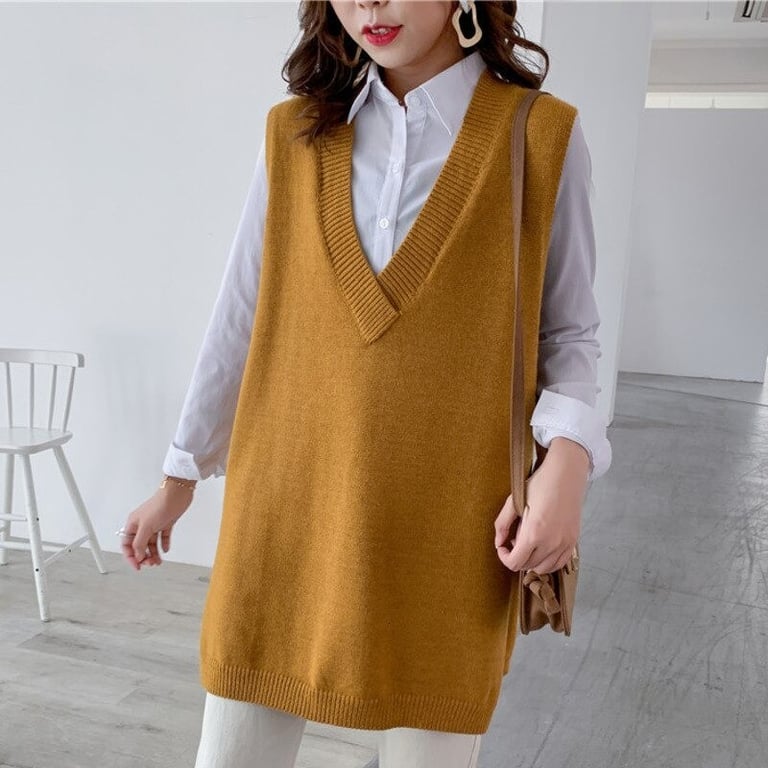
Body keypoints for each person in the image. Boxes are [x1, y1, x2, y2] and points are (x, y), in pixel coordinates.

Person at [118, 1, 612, 766]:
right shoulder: (294, 133)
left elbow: (570, 331)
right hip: (281, 516)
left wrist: (568, 464)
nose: (369, 5)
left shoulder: (539, 136)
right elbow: (238, 318)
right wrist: (178, 476)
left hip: (447, 532)